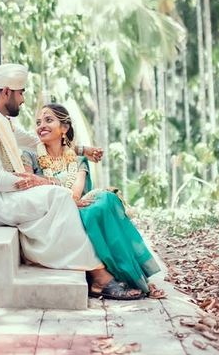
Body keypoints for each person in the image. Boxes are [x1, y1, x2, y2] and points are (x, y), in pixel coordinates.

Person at [0, 63, 143, 300]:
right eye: (20, 92)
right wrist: (40, 182)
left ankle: (91, 271)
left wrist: (81, 149)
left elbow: (37, 139)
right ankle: (99, 276)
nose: (23, 99)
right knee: (58, 195)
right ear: (6, 92)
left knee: (58, 197)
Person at [21, 103, 165, 298]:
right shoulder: (30, 156)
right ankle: (113, 279)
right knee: (96, 210)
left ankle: (134, 278)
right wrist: (52, 184)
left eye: (48, 120)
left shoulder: (78, 160)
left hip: (75, 205)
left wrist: (46, 181)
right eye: (38, 122)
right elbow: (28, 185)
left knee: (107, 200)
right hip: (50, 214)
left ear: (64, 128)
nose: (41, 126)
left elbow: (75, 195)